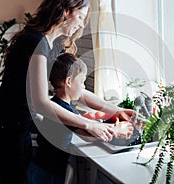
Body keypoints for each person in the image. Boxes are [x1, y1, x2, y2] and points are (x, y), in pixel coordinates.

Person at [0, 0, 137, 184]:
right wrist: (89, 123)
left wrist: (116, 110)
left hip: (18, 129)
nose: (81, 24)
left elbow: (79, 92)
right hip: (6, 132)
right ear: (66, 11)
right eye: (80, 16)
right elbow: (41, 103)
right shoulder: (34, 42)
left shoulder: (51, 44)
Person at [28, 53, 133, 184]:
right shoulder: (64, 110)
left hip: (42, 167)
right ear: (69, 82)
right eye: (82, 81)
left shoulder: (56, 104)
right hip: (46, 174)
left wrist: (112, 121)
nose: (83, 87)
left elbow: (87, 126)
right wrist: (116, 131)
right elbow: (88, 134)